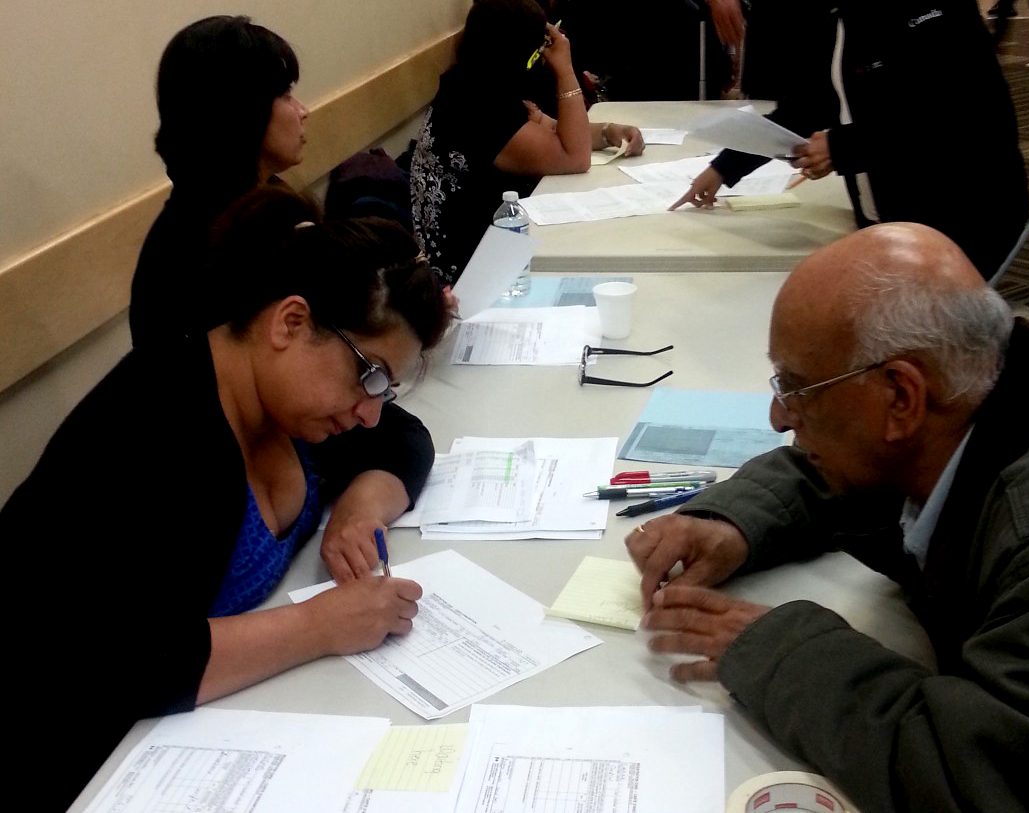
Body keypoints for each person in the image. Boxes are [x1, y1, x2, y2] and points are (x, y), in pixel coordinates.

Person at [627, 223, 1029, 811]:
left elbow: (1006, 784)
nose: (780, 417)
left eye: (797, 387)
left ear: (901, 397)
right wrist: (733, 523)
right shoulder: (988, 396)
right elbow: (846, 468)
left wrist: (783, 655)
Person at [4, 187, 451, 809]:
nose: (372, 413)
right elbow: (123, 662)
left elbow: (405, 440)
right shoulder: (160, 428)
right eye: (369, 375)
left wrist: (360, 507)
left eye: (388, 387)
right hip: (74, 759)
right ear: (290, 323)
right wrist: (318, 625)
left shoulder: (287, 402)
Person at [670, 1, 1029, 280]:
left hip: (962, 215)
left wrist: (841, 148)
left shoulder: (934, 13)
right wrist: (724, 167)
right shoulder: (841, 17)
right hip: (893, 221)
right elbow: (812, 104)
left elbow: (948, 119)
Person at [408, 0, 644, 285]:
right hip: (474, 275)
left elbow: (554, 131)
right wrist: (565, 69)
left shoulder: (479, 83)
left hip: (497, 249)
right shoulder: (476, 108)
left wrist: (609, 132)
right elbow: (574, 157)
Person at [129, 15, 310, 346]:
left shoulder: (256, 203)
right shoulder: (206, 249)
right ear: (242, 111)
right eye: (285, 94)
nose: (302, 111)